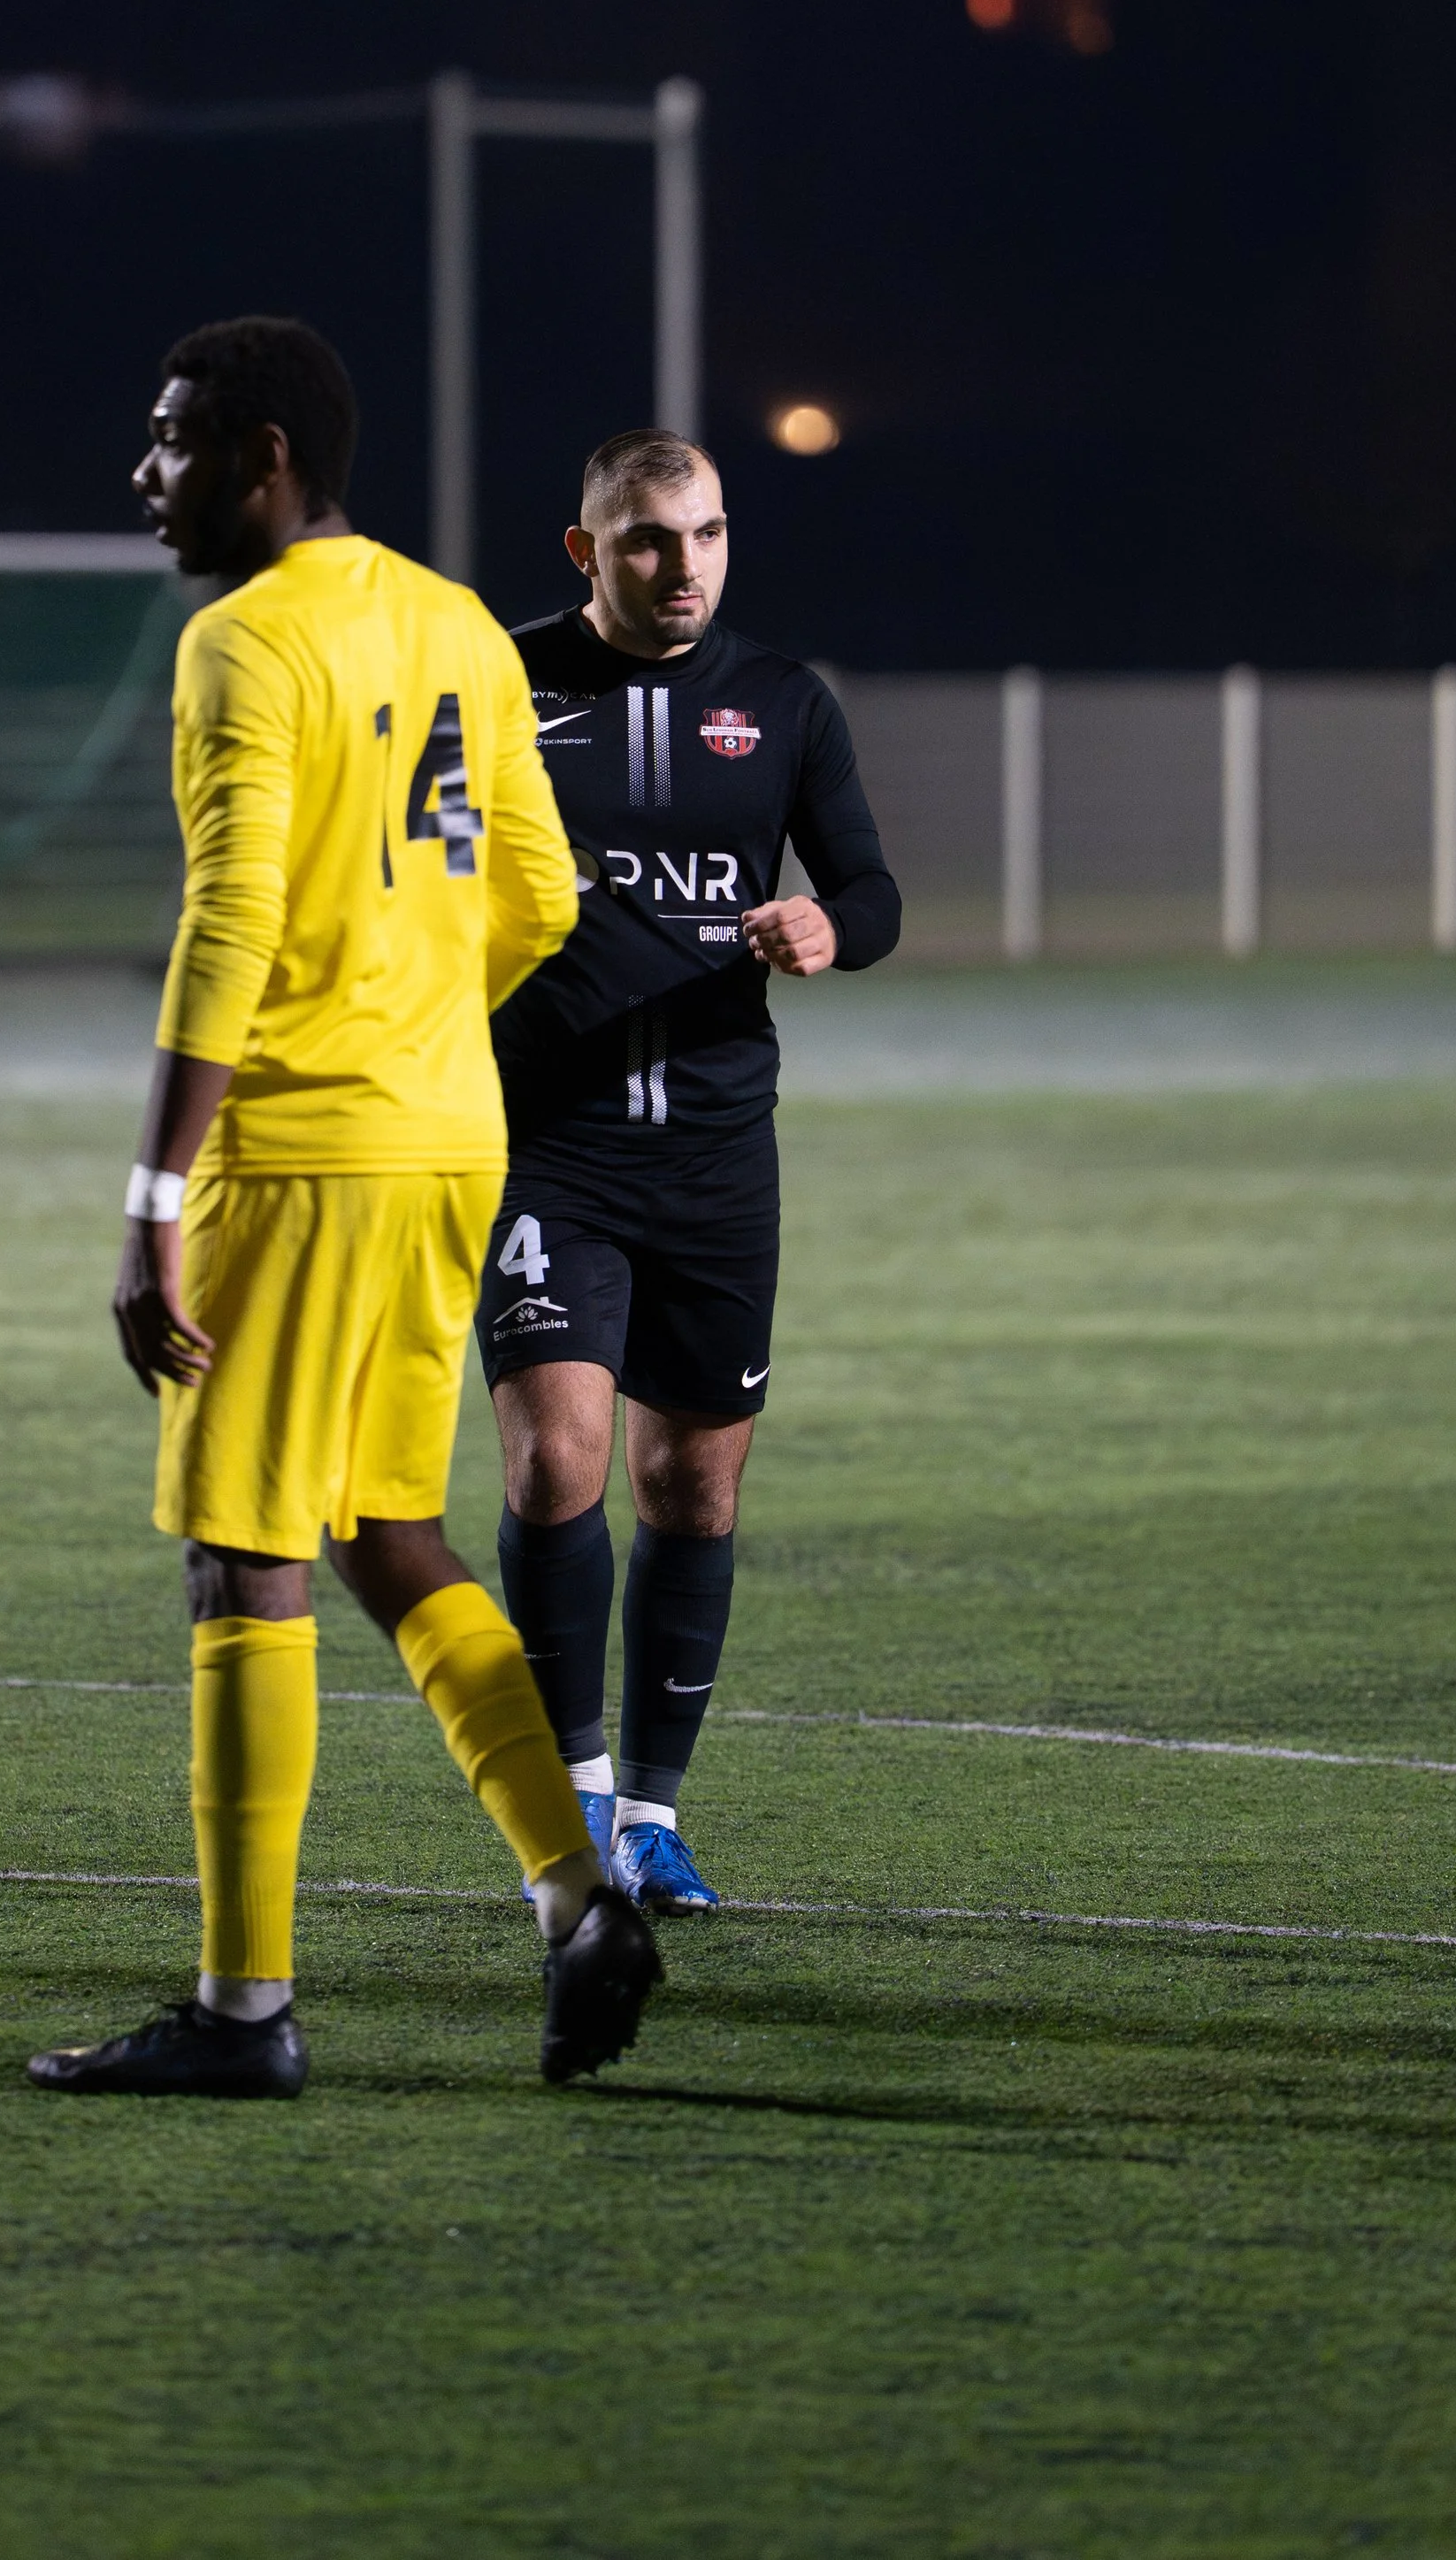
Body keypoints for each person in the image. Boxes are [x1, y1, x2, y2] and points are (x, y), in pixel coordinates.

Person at [28, 319, 663, 2100]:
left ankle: (244, 2015)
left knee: (245, 1551)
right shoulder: (457, 619)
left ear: (266, 458)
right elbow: (538, 886)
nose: (145, 477)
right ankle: (575, 1892)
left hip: (299, 1152)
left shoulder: (243, 640)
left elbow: (228, 921)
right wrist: (412, 1005)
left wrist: (154, 1200)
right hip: (445, 1136)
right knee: (390, 1529)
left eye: (171, 444)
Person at [479, 426, 900, 1912]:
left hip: (720, 1152)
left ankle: (653, 1818)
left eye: (710, 533)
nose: (685, 566)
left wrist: (830, 928)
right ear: (586, 549)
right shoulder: (496, 684)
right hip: (545, 1146)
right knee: (556, 1460)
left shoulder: (784, 703)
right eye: (651, 539)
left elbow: (871, 887)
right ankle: (576, 1805)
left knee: (695, 1492)